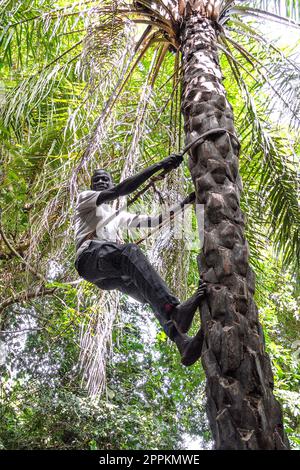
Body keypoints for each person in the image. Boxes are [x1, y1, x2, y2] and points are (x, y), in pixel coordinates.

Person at [74, 153, 206, 366]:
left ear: (111, 181)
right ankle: (175, 310)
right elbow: (120, 190)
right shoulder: (86, 198)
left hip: (104, 275)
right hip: (89, 258)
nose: (100, 182)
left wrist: (186, 203)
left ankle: (182, 342)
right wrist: (159, 165)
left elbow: (155, 221)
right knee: (130, 252)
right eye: (96, 179)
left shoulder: (117, 214)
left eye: (104, 179)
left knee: (148, 293)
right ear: (92, 185)